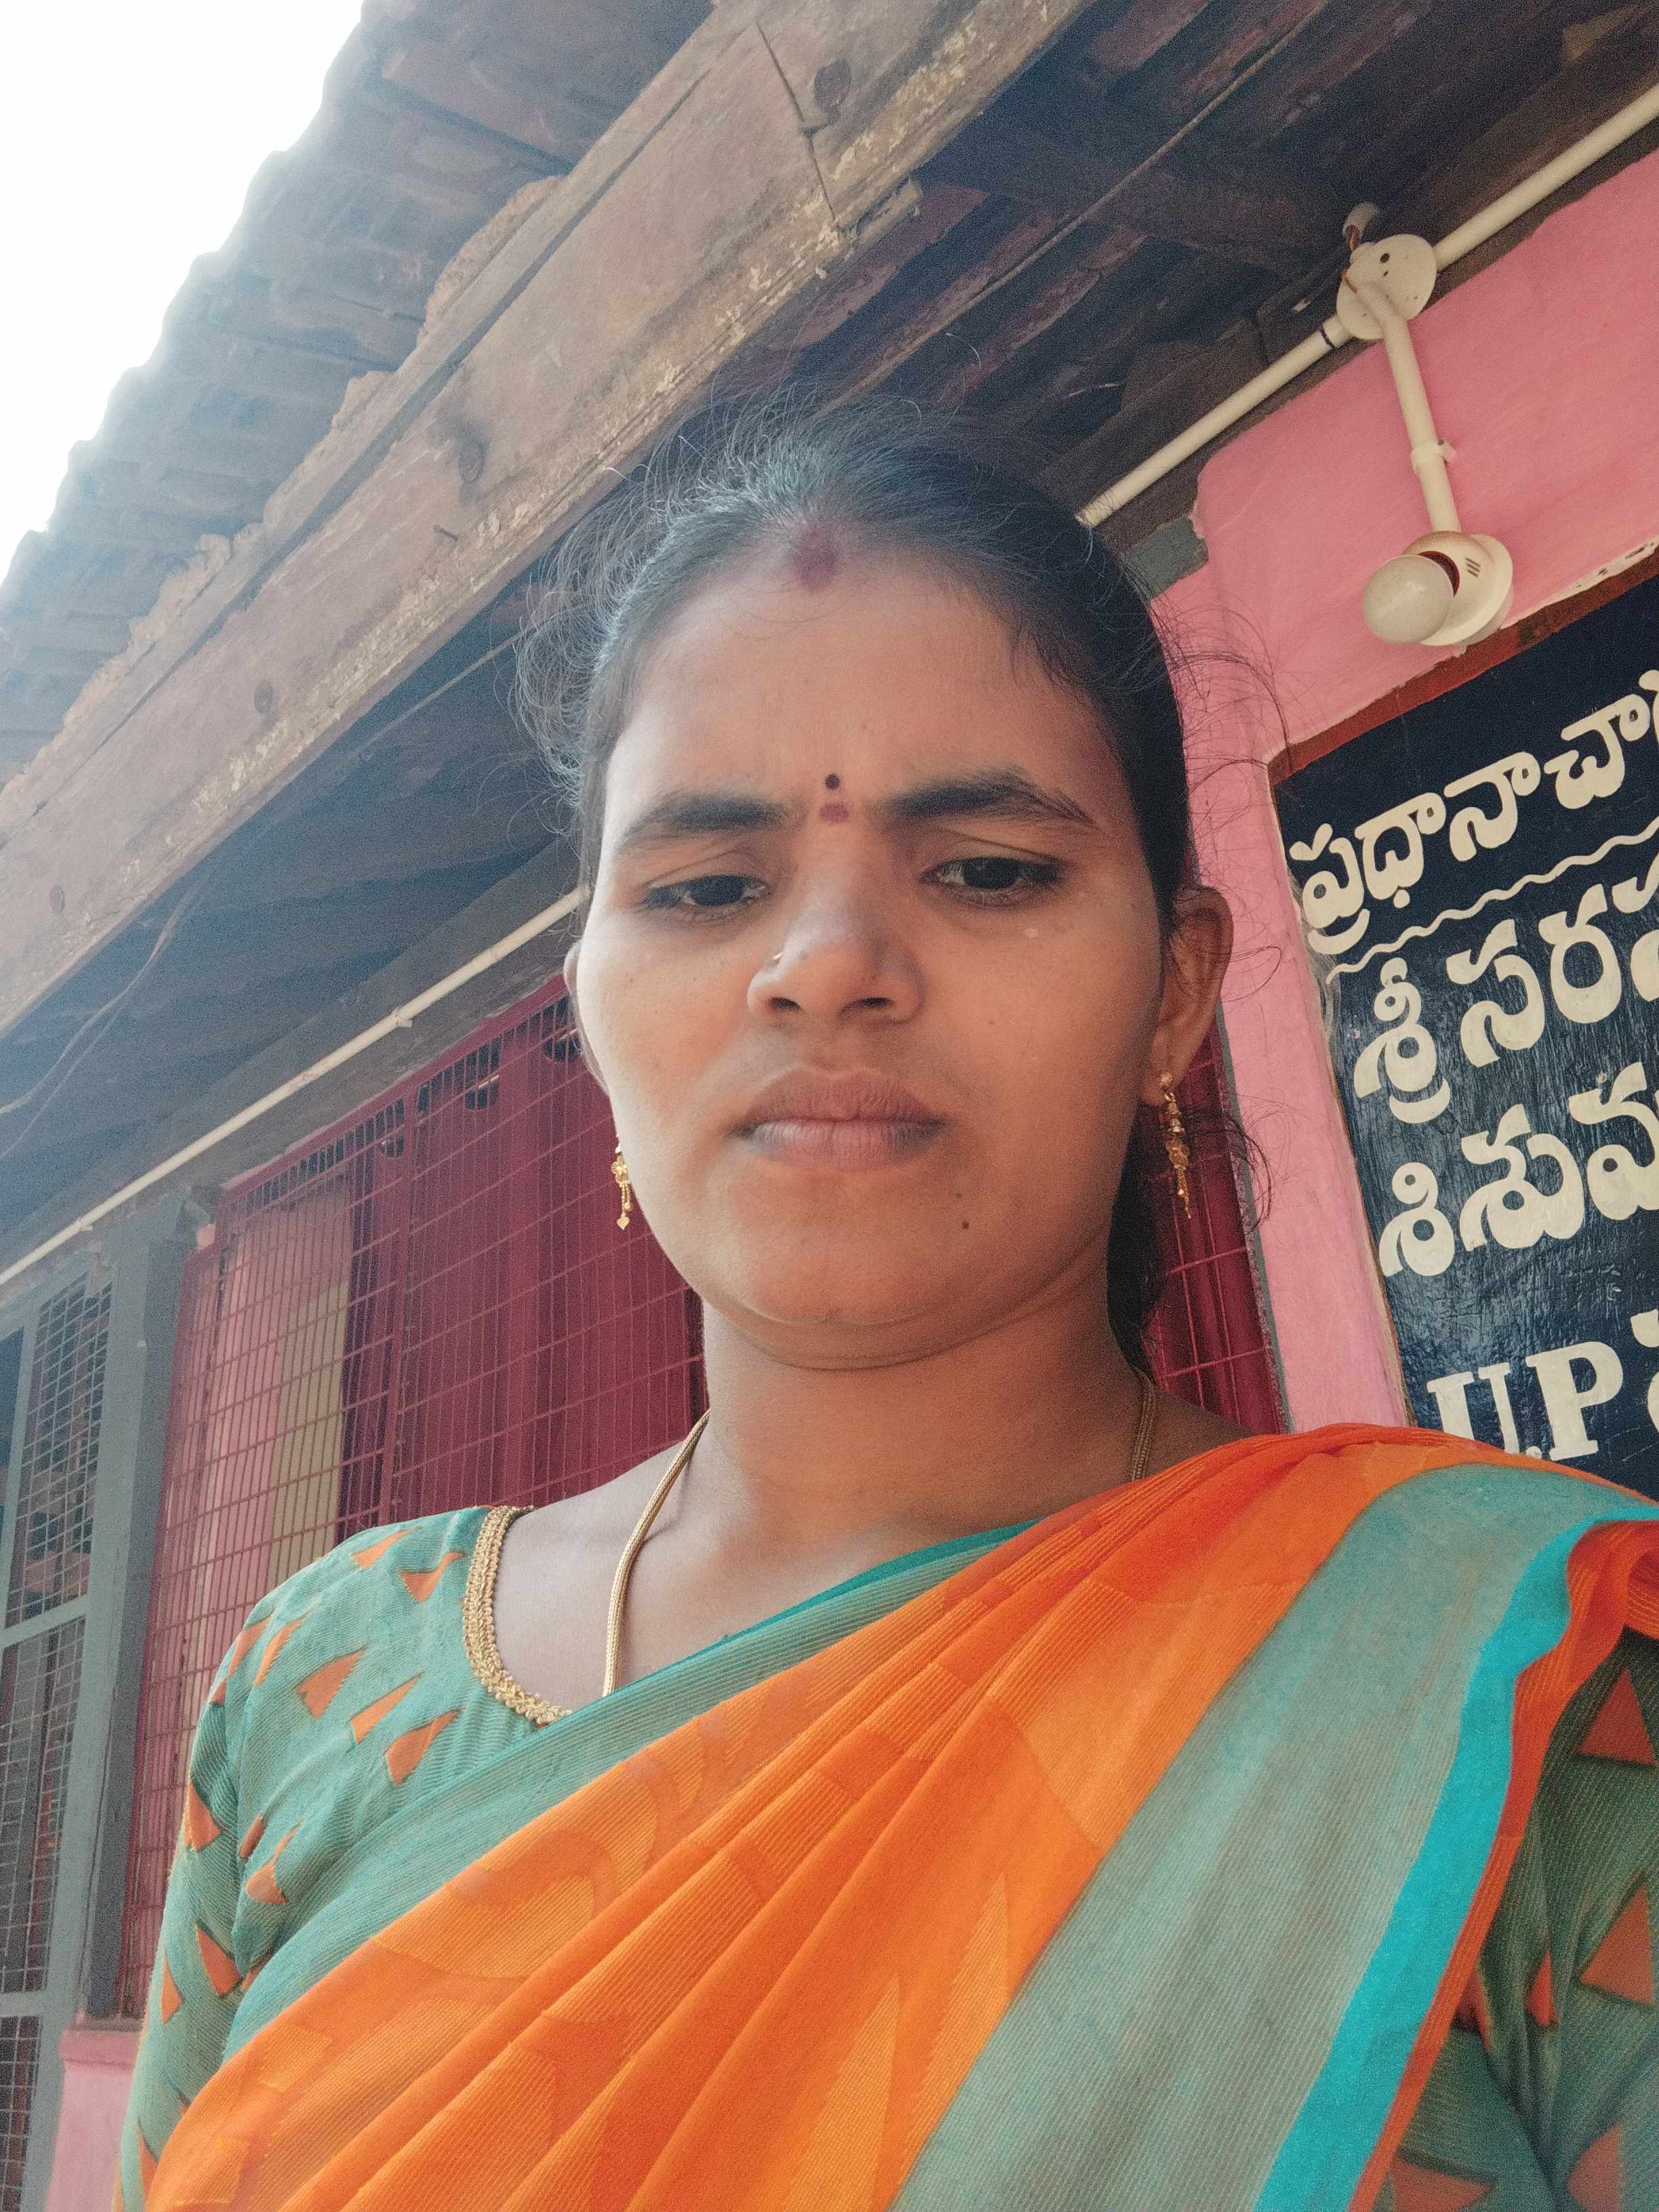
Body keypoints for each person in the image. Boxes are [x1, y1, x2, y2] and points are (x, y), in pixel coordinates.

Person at [121, 402, 1659, 2212]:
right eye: (706, 887)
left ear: (1177, 992)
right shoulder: (313, 1691)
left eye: (989, 869)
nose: (827, 964)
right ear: (588, 1006)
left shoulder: (1522, 1690)